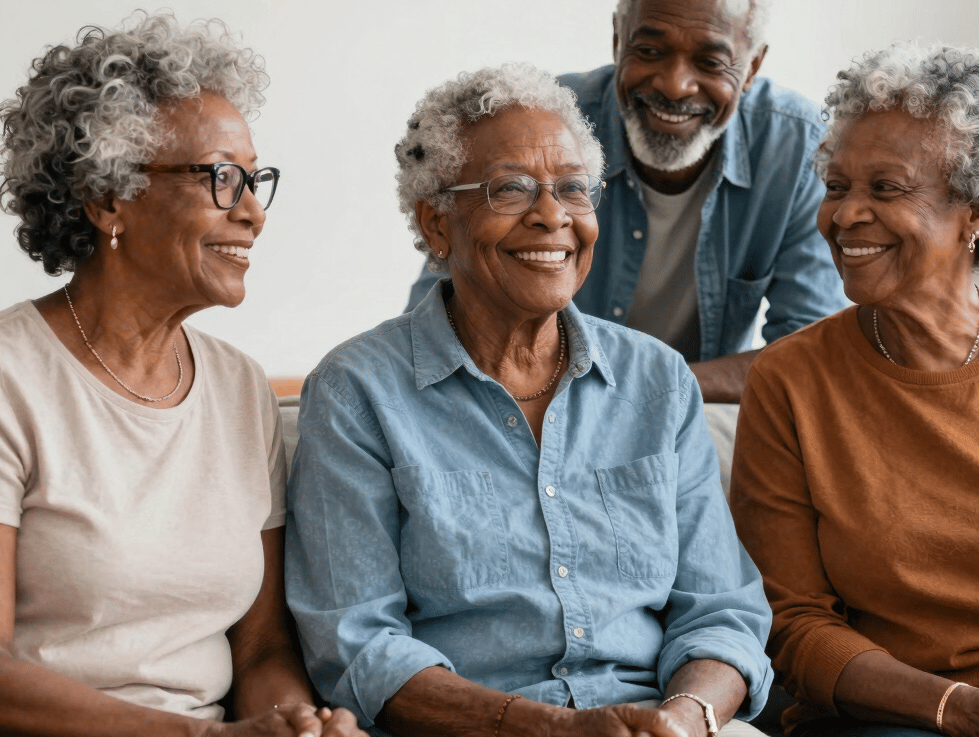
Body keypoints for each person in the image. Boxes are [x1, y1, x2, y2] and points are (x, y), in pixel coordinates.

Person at [285, 63, 772, 737]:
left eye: (574, 189)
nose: (554, 217)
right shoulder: (356, 390)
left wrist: (686, 718)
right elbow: (358, 644)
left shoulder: (656, 381)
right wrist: (552, 728)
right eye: (512, 190)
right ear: (437, 223)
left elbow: (722, 612)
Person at [0, 13, 364, 737]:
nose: (254, 213)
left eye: (255, 180)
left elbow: (260, 645)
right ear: (109, 198)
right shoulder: (13, 378)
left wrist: (298, 722)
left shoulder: (239, 388)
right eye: (223, 179)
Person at [730, 41, 979, 737]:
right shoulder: (790, 381)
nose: (845, 215)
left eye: (885, 189)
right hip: (886, 712)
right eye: (837, 187)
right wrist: (956, 706)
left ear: (974, 212)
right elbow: (791, 622)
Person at [404, 0, 847, 404]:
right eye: (650, 51)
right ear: (619, 39)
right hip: (532, 398)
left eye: (710, 61)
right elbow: (438, 319)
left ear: (752, 67)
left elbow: (806, 355)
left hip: (693, 403)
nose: (675, 86)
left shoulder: (799, 149)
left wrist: (641, 385)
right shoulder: (547, 130)